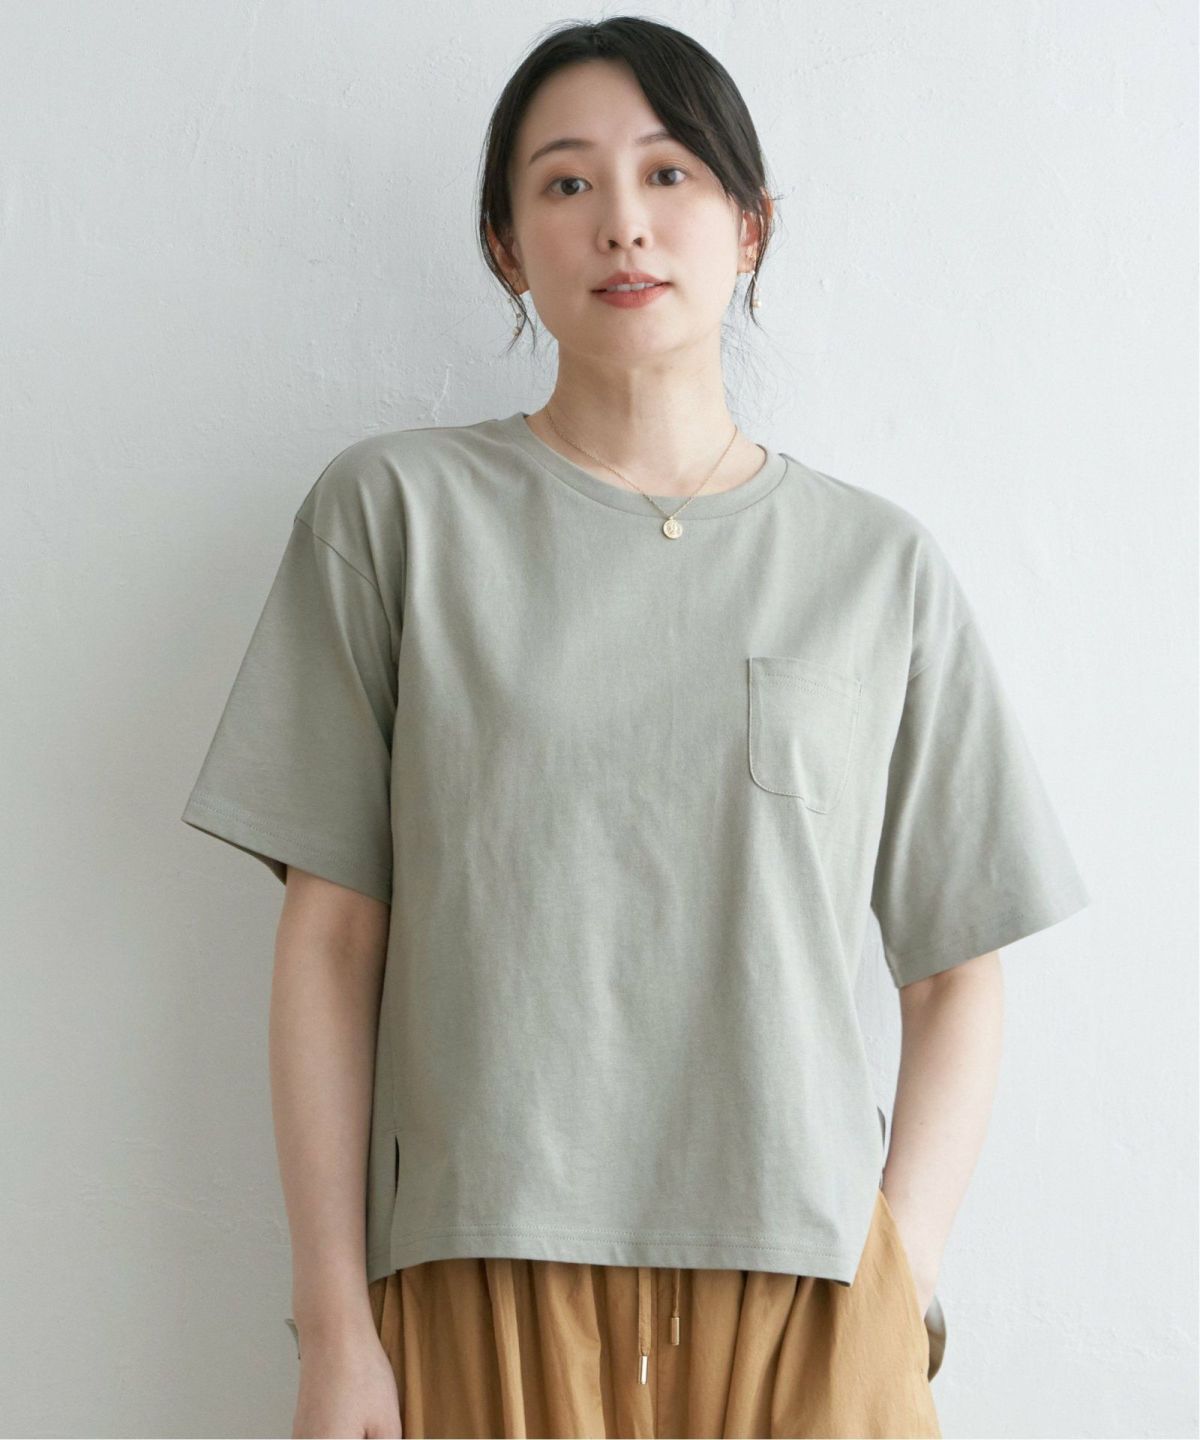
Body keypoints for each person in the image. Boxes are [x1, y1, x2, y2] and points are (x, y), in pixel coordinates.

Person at [182, 17, 1090, 1439]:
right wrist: (334, 1323)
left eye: (671, 174)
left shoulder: (876, 566)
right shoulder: (397, 519)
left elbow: (956, 967)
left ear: (751, 224)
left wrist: (900, 1271)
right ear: (505, 246)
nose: (623, 222)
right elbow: (333, 937)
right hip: (481, 1265)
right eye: (566, 182)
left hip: (806, 1288)